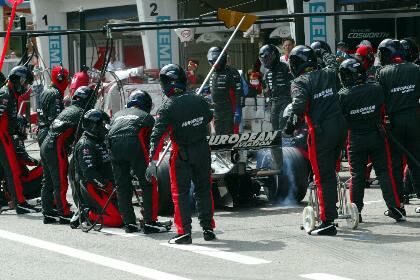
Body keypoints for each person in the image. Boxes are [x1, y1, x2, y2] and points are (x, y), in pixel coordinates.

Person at [146, 64, 215, 244]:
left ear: (166, 83)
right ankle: (208, 228)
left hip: (182, 153)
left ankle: (184, 232)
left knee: (180, 193)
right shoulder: (198, 100)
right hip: (202, 150)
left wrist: (152, 161)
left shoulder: (167, 108)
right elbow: (208, 117)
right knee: (204, 190)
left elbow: (157, 135)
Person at [283, 45, 345, 235]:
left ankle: (327, 221)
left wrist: (288, 129)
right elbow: (334, 64)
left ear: (295, 64)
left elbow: (299, 108)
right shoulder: (329, 73)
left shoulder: (300, 82)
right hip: (341, 129)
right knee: (331, 174)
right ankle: (333, 211)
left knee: (322, 177)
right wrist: (323, 52)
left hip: (321, 133)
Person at [338, 58, 403, 222]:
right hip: (377, 135)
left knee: (357, 175)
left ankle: (356, 212)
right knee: (384, 172)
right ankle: (395, 207)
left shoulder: (343, 96)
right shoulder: (376, 88)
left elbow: (340, 119)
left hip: (355, 138)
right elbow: (383, 108)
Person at [107, 90, 170, 233]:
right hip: (134, 142)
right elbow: (153, 140)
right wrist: (150, 163)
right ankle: (150, 221)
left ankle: (129, 222)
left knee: (122, 186)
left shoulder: (117, 115)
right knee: (148, 182)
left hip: (113, 145)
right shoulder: (147, 117)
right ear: (146, 104)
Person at [376, 39, 420, 215]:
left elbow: (380, 101)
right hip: (415, 119)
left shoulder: (382, 73)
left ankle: (398, 204)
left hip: (393, 123)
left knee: (394, 164)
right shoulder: (416, 69)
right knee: (416, 161)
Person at [40, 86, 94, 224]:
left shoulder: (68, 110)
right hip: (55, 147)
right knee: (60, 182)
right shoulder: (82, 113)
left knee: (48, 181)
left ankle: (48, 211)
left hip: (46, 144)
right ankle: (63, 212)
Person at [70, 109, 122, 228]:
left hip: (108, 184)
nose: (106, 128)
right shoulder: (85, 145)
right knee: (116, 220)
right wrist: (107, 186)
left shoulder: (101, 140)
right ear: (94, 126)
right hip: (92, 186)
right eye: (103, 125)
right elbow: (89, 174)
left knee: (126, 215)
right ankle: (86, 213)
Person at [0, 66, 40, 214]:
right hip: (2, 136)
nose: (25, 87)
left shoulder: (10, 95)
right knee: (12, 170)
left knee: (12, 170)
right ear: (17, 80)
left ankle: (19, 201)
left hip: (6, 136)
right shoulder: (5, 95)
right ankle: (20, 203)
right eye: (24, 83)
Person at [207, 46, 243, 134]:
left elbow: (239, 92)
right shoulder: (212, 73)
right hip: (217, 111)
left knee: (231, 136)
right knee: (219, 137)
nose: (212, 63)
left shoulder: (232, 71)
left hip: (230, 110)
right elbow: (212, 91)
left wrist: (238, 110)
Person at [259, 44, 292, 130]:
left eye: (268, 58)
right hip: (273, 102)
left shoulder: (285, 67)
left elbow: (292, 84)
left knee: (283, 125)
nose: (266, 61)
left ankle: (284, 143)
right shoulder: (267, 73)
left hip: (285, 100)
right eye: (264, 59)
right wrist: (268, 99)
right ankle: (278, 143)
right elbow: (265, 88)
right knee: (274, 126)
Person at [37, 65, 69, 146]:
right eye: (66, 78)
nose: (68, 81)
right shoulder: (55, 94)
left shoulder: (47, 91)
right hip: (50, 136)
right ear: (60, 79)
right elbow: (56, 119)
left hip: (43, 133)